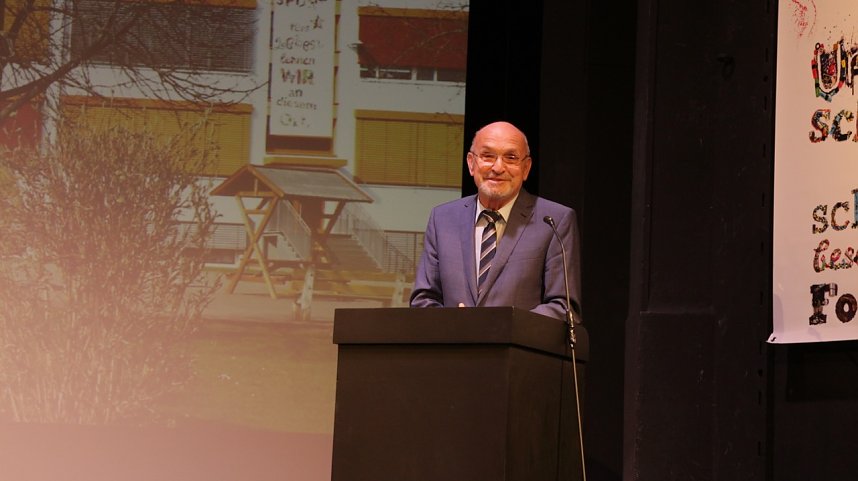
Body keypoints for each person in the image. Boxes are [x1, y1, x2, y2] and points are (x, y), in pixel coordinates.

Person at [410, 121, 582, 321]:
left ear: (526, 168)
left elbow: (563, 308)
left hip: (518, 351)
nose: (498, 167)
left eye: (510, 157)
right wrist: (454, 324)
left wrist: (500, 326)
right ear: (471, 163)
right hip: (454, 350)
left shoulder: (554, 221)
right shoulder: (442, 219)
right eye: (488, 156)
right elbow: (423, 300)